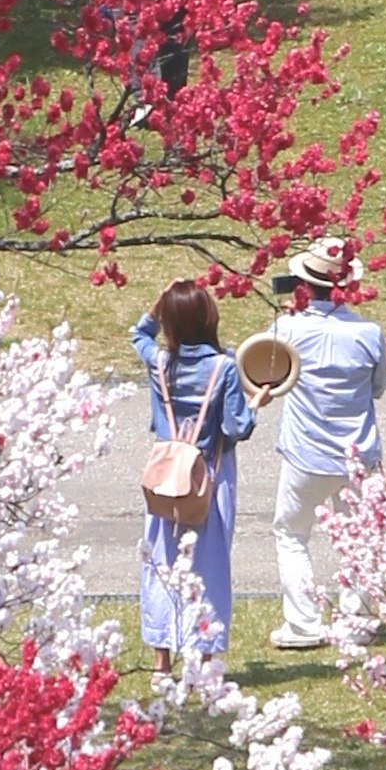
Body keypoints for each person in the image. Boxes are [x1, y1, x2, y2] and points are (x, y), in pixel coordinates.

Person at [265, 237, 386, 653]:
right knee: (357, 537)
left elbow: (267, 379)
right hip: (357, 455)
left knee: (292, 534)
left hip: (306, 454)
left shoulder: (286, 330)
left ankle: (303, 624)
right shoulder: (369, 334)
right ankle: (354, 621)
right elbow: (378, 389)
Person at [131, 275, 258, 673]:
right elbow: (238, 428)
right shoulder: (224, 366)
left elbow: (139, 335)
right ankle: (202, 657)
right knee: (209, 565)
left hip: (165, 478)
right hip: (209, 479)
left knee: (162, 561)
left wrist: (159, 302)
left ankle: (161, 660)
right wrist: (256, 403)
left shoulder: (160, 361)